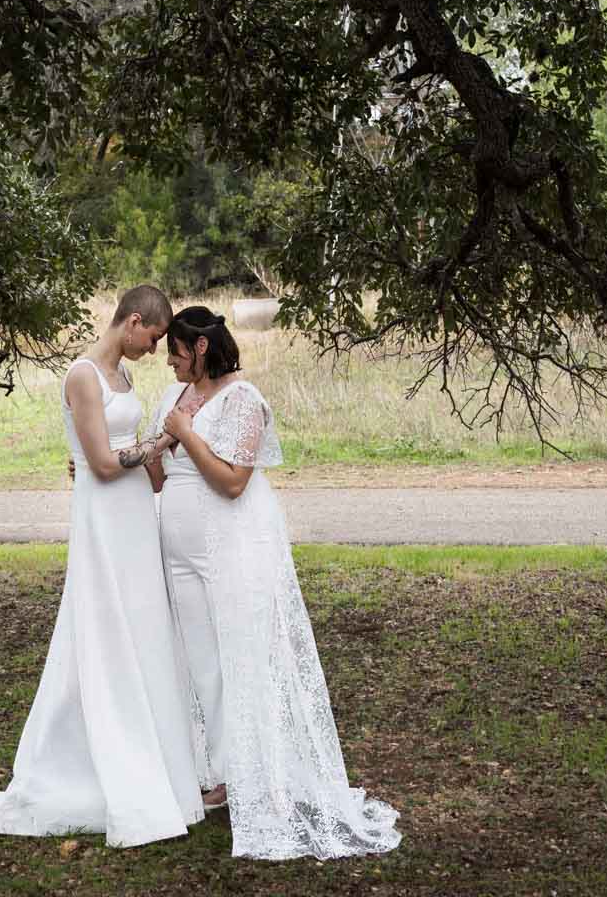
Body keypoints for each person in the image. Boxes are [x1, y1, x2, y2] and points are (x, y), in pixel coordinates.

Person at [149, 305, 401, 862]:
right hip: (181, 556)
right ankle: (219, 772)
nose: (166, 361)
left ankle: (261, 777)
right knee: (203, 661)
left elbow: (233, 482)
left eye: (175, 351)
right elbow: (160, 477)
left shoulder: (245, 400)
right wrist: (144, 455)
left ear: (200, 350)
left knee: (244, 658)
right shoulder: (169, 399)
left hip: (236, 551)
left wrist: (186, 434)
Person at [0, 285, 205, 848]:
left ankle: (156, 756)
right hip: (104, 518)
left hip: (136, 515)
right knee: (104, 626)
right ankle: (95, 762)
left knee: (144, 627)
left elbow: (124, 450)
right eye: (155, 337)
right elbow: (98, 462)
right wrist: (162, 441)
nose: (156, 348)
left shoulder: (124, 378)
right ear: (134, 321)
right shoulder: (83, 375)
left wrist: (157, 466)